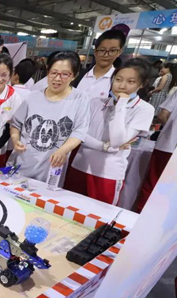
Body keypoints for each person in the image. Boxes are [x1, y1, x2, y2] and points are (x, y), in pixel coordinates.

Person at [66, 59, 154, 205]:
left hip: (108, 173)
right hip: (80, 165)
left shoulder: (144, 109)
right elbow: (78, 133)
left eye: (131, 82)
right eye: (118, 79)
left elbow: (117, 141)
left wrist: (121, 105)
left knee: (98, 215)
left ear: (141, 84)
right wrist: (105, 147)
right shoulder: (96, 103)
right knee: (66, 210)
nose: (122, 86)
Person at [9, 51, 91, 183]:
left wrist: (63, 150)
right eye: (54, 73)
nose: (57, 79)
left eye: (65, 74)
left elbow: (79, 131)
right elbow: (15, 124)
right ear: (48, 71)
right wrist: (15, 139)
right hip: (23, 163)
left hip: (51, 168)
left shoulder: (80, 99)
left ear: (74, 75)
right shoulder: (32, 97)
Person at [134, 91, 177, 212]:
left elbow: (162, 115)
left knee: (152, 184)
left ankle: (138, 216)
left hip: (167, 145)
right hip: (167, 146)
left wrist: (171, 130)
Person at [75, 29, 126, 99]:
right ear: (95, 51)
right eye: (102, 50)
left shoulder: (119, 82)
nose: (106, 55)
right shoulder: (78, 75)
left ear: (119, 52)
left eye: (112, 51)